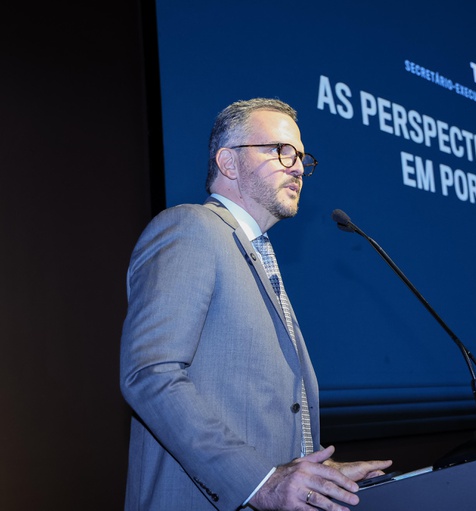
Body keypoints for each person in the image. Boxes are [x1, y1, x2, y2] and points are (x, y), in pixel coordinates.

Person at [119, 97, 392, 511]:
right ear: (228, 163)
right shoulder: (190, 228)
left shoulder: (259, 257)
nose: (299, 166)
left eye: (301, 156)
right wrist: (260, 483)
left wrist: (318, 477)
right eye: (281, 151)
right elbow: (150, 374)